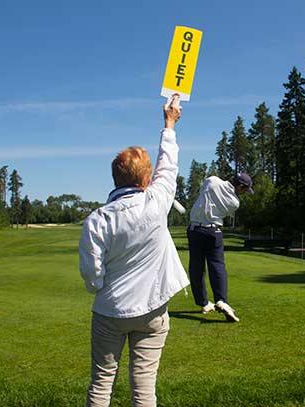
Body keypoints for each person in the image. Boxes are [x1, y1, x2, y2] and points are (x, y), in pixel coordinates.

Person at [79, 98, 189, 407]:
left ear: (116, 179)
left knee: (101, 385)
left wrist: (100, 289)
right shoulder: (157, 201)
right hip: (152, 310)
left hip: (109, 311)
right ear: (146, 180)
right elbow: (169, 163)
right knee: (144, 390)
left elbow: (92, 274)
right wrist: (169, 124)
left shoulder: (97, 220)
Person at [187, 172, 253, 322]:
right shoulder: (235, 202)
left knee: (196, 268)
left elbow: (203, 191)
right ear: (240, 186)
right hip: (214, 232)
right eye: (245, 189)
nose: (245, 193)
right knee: (217, 265)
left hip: (195, 230)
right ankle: (221, 300)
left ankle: (203, 303)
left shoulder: (211, 181)